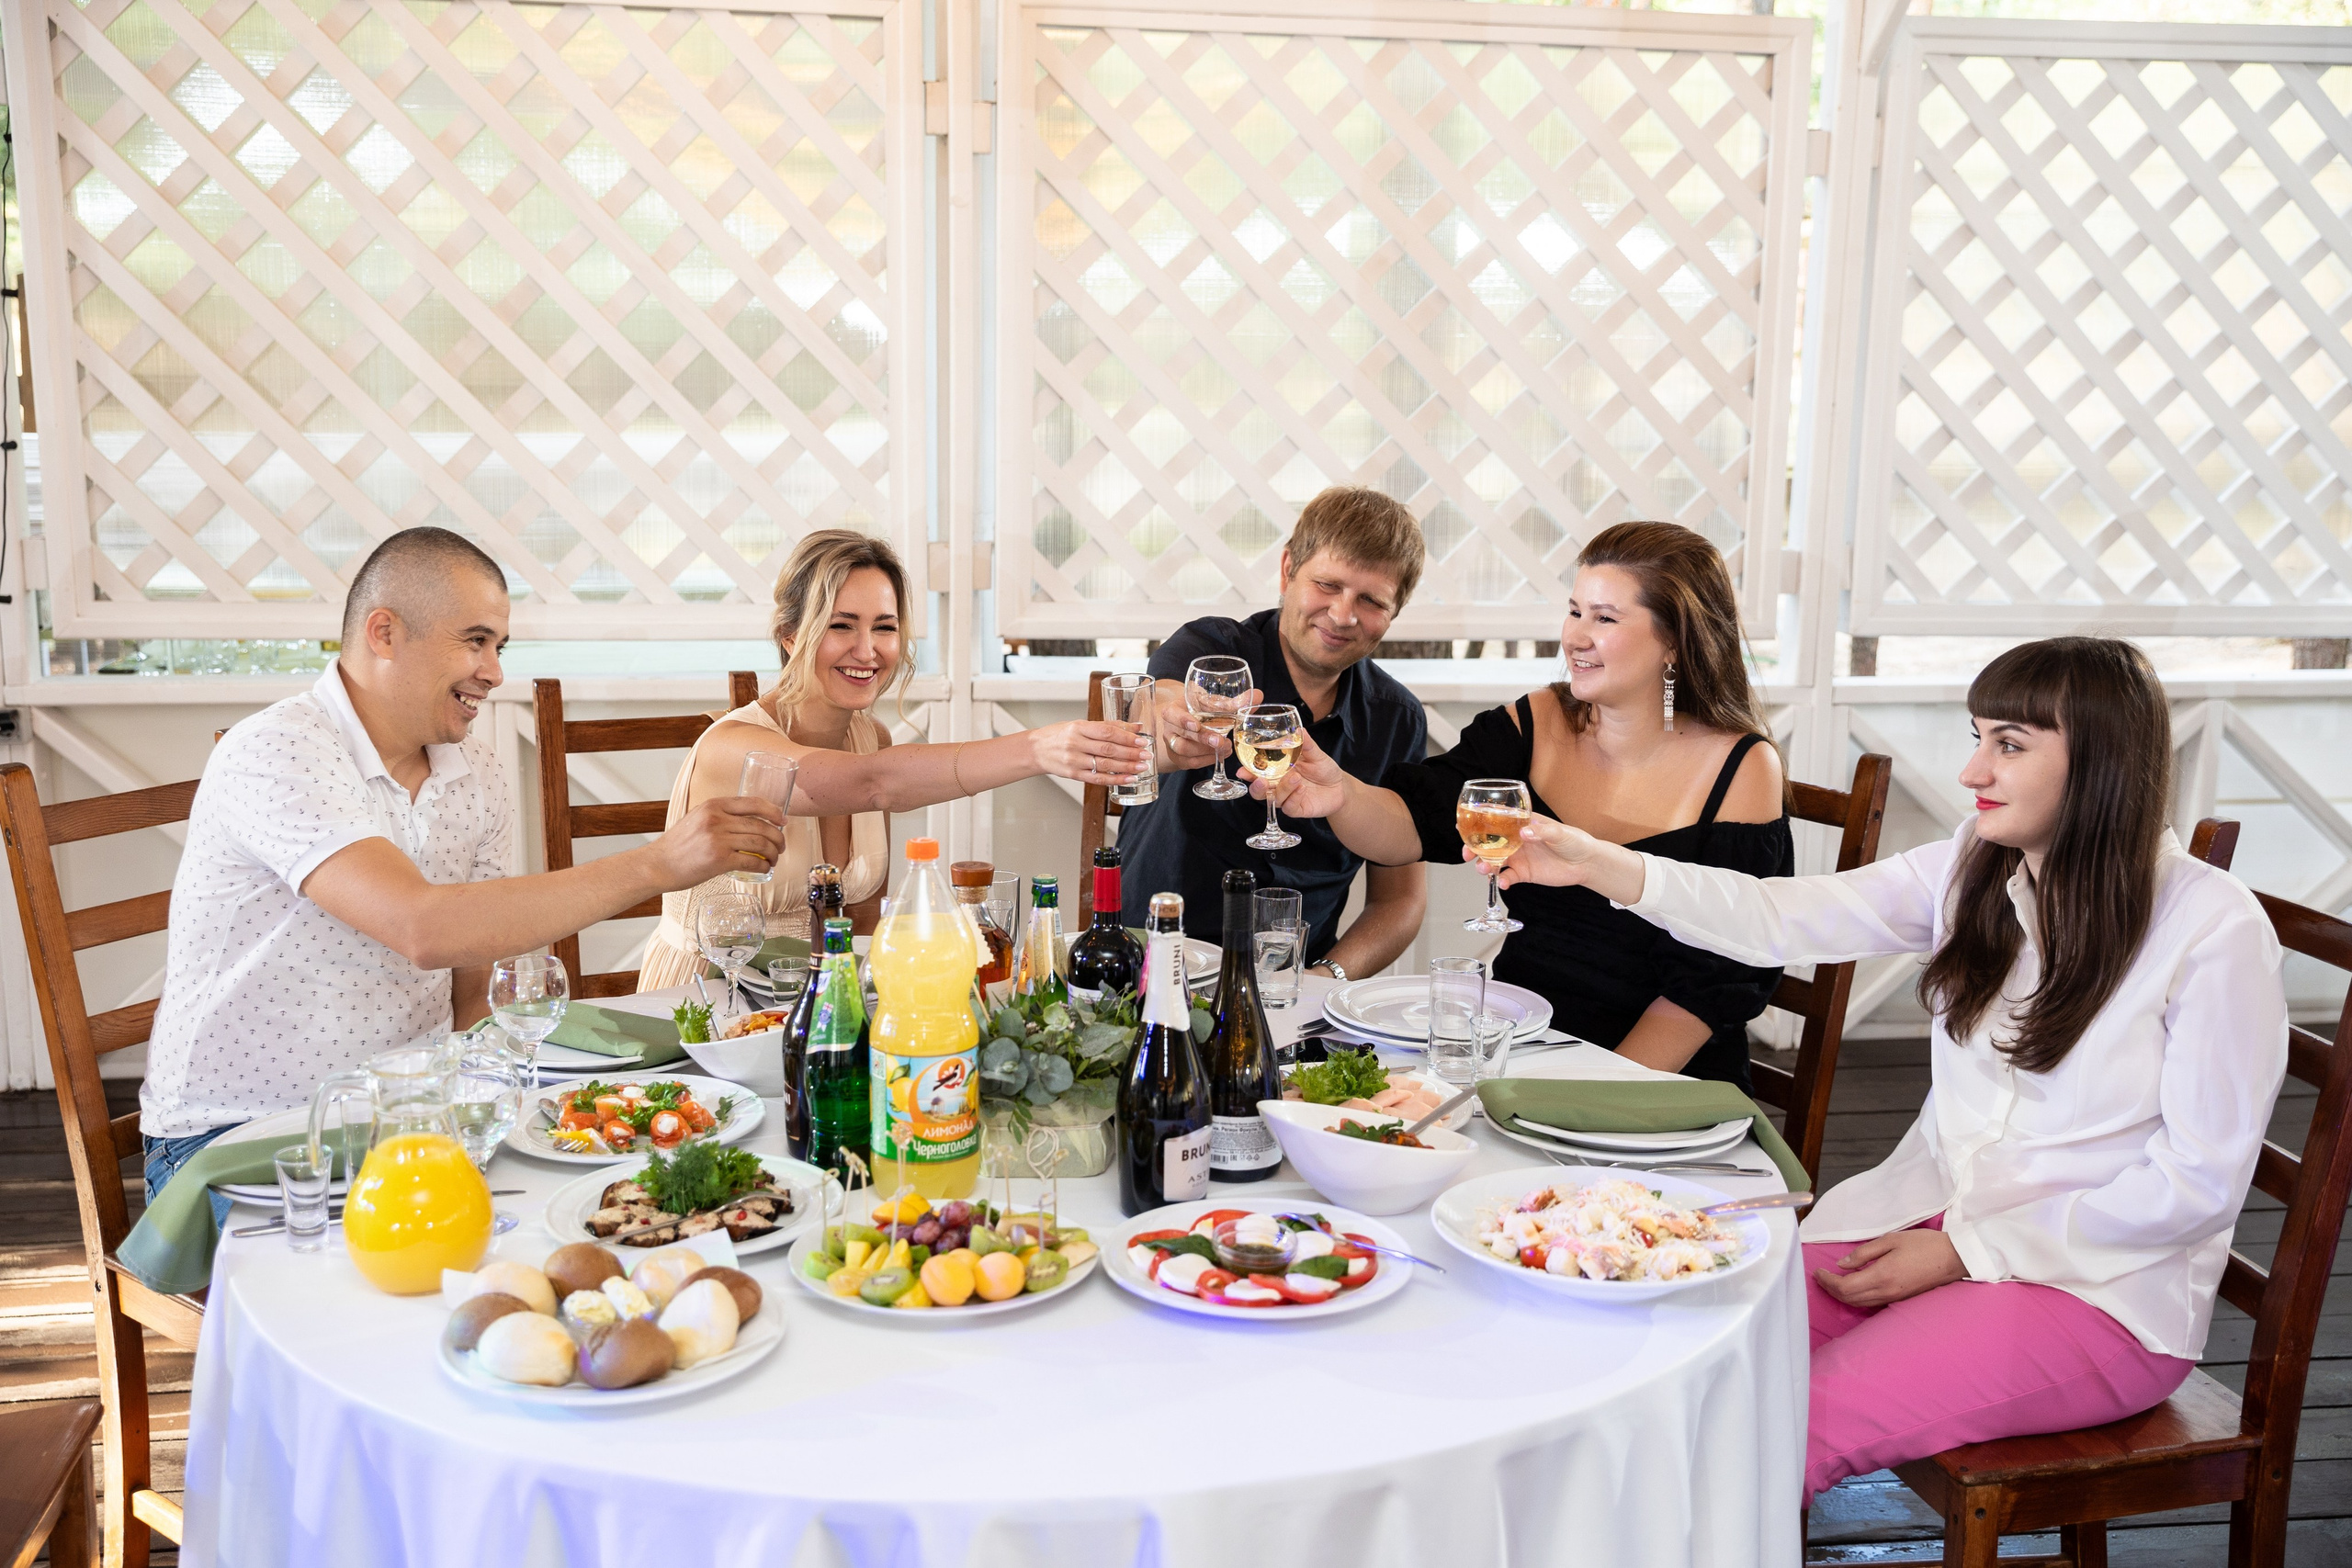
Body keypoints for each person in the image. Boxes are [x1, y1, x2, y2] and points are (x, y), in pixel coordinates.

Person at [1493, 637, 2288, 1502]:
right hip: (1935, 1221)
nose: (1973, 769)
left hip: (2103, 1294)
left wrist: (1964, 1251)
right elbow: (1777, 917)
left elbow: (2197, 1186)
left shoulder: (2213, 927)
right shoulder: (1974, 866)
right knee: (1684, 1333)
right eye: (1979, 735)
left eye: (2010, 744)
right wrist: (1597, 862)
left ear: (2101, 762)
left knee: (1785, 1423)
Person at [141, 527, 789, 1199]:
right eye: (475, 641)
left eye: (499, 647)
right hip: (242, 1139)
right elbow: (424, 929)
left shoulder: (474, 770)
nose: (495, 670)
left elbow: (476, 994)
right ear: (384, 633)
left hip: (406, 1126)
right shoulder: (279, 750)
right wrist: (657, 864)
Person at [1262, 521, 1791, 1087]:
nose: (1575, 638)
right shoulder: (1536, 721)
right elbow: (1413, 824)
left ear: (1674, 640)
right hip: (1520, 1051)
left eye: (1605, 618)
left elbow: (1717, 981)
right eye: (1575, 611)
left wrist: (1588, 1095)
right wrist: (1341, 793)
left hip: (1656, 1079)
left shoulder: (1743, 767)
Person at [638, 528, 1153, 987]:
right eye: (842, 625)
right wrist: (1036, 748)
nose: (868, 651)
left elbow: (863, 922)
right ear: (791, 636)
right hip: (705, 1000)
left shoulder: (871, 738)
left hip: (819, 996)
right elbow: (875, 784)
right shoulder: (735, 746)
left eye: (884, 627)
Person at [1121, 487, 1430, 976]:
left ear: (1395, 612)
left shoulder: (1398, 718)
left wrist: (1325, 980)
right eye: (1327, 585)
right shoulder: (1211, 649)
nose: (1343, 615)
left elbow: (1399, 903)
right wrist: (1176, 722)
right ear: (1288, 570)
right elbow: (1157, 709)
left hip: (1297, 989)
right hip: (1160, 969)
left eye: (1371, 600)